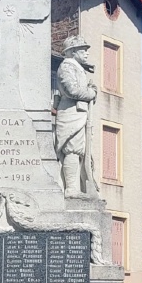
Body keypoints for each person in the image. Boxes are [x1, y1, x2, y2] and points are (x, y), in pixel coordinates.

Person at [55, 35, 97, 197]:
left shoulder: (78, 68)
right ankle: (71, 188)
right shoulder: (67, 67)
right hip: (71, 112)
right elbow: (71, 90)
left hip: (78, 113)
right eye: (83, 50)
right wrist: (91, 93)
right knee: (72, 149)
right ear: (72, 52)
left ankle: (76, 187)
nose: (87, 53)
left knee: (78, 151)